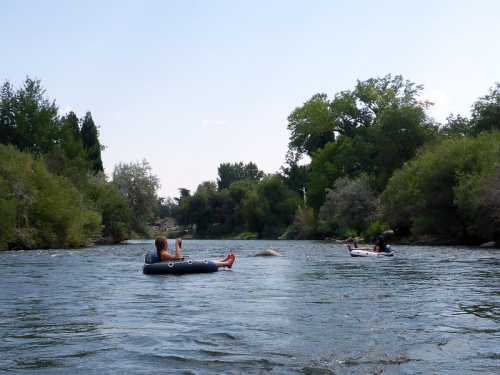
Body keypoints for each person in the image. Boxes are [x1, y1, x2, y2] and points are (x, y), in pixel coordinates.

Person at [154, 236, 236, 268]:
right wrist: (176, 244)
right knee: (206, 262)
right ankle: (227, 263)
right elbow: (177, 258)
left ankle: (223, 261)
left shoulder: (163, 253)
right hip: (178, 266)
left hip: (179, 264)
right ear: (164, 244)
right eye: (166, 242)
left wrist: (179, 247)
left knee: (205, 261)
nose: (167, 244)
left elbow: (177, 258)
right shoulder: (163, 253)